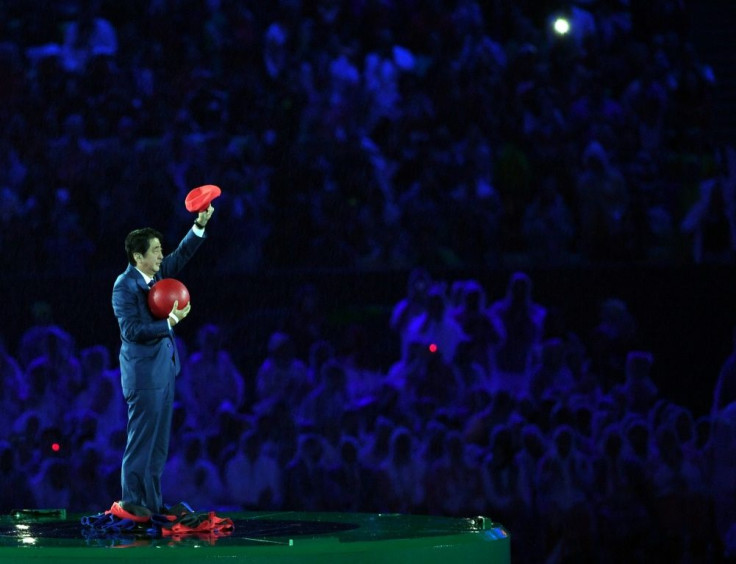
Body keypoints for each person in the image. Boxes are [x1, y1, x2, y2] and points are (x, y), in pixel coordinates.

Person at [111, 203, 214, 513]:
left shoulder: (155, 278)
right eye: (155, 251)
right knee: (141, 440)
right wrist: (169, 322)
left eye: (160, 250)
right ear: (137, 257)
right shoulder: (124, 286)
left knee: (158, 446)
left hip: (165, 371)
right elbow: (131, 329)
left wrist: (199, 225)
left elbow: (181, 255)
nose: (160, 256)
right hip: (143, 376)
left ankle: (152, 505)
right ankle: (132, 502)